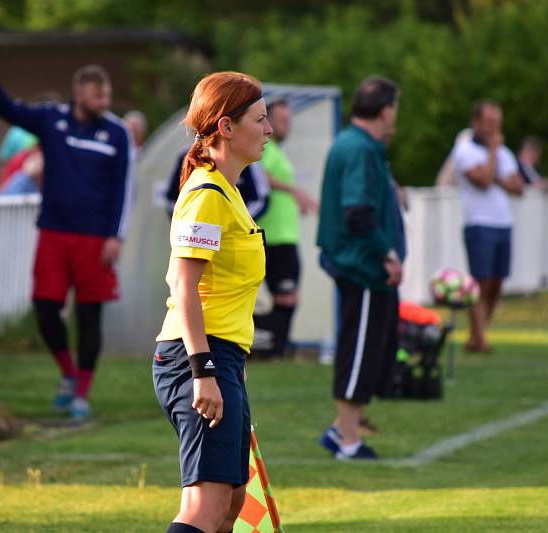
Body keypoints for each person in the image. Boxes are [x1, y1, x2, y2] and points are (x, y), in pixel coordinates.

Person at [0, 51, 135, 421]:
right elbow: (9, 111)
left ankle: (81, 394)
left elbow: (126, 188)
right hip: (54, 232)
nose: (105, 104)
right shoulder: (51, 119)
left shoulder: (117, 134)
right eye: (99, 97)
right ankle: (67, 372)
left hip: (96, 239)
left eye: (107, 97)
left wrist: (117, 236)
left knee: (89, 316)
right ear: (79, 94)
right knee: (45, 309)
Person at [153, 71, 271, 533]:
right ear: (226, 127)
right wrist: (204, 372)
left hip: (221, 356)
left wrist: (228, 367)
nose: (269, 129)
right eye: (259, 120)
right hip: (196, 359)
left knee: (231, 504)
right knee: (205, 508)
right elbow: (182, 287)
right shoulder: (205, 195)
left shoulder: (229, 192)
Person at [316, 75, 402, 461]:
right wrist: (387, 253)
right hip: (363, 266)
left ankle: (341, 429)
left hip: (362, 265)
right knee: (359, 353)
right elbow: (357, 213)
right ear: (385, 111)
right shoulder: (360, 148)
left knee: (373, 351)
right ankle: (347, 440)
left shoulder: (360, 145)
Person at [453, 100, 524, 353]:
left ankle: (477, 335)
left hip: (503, 222)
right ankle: (480, 338)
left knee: (496, 283)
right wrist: (493, 155)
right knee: (480, 282)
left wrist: (494, 172)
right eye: (489, 122)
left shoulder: (505, 153)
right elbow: (482, 181)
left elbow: (518, 187)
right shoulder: (464, 150)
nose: (494, 128)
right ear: (476, 123)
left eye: (497, 123)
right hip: (478, 223)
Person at [251, 99, 318, 359]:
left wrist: (298, 197)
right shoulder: (263, 149)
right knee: (285, 297)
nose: (285, 125)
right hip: (274, 237)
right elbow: (260, 177)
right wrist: (295, 191)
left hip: (285, 236)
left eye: (288, 120)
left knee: (288, 296)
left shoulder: (278, 152)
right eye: (281, 120)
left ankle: (272, 347)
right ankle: (269, 348)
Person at [163, 150, 270, 219]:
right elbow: (171, 198)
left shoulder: (247, 160)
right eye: (259, 120)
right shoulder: (187, 158)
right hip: (197, 239)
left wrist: (235, 221)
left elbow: (260, 198)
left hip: (235, 239)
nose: (267, 129)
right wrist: (189, 221)